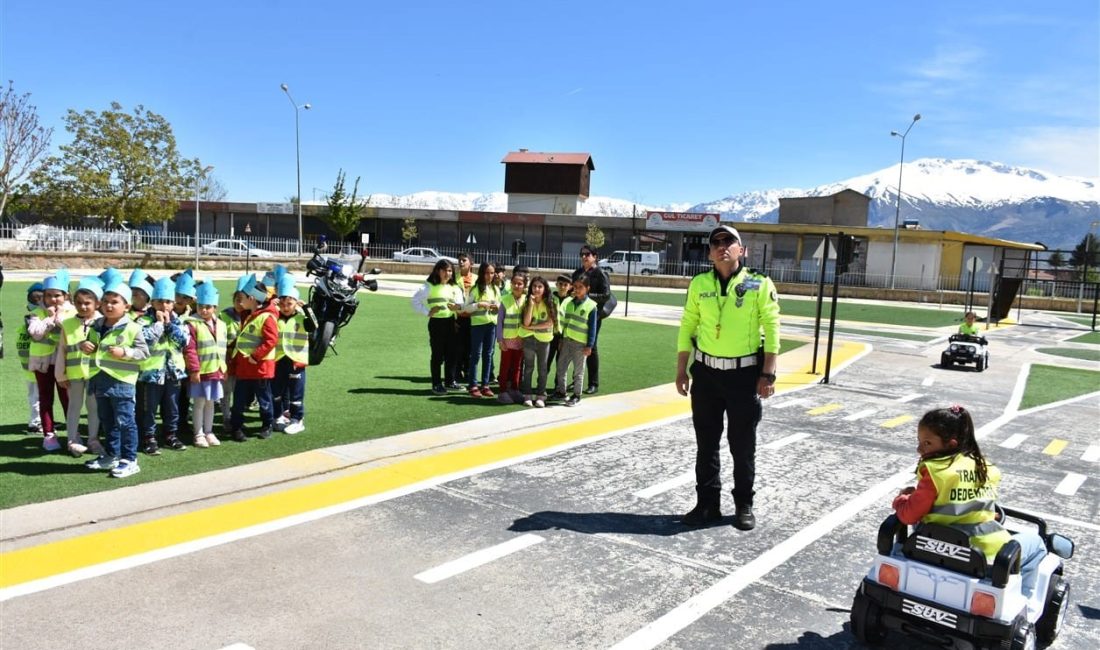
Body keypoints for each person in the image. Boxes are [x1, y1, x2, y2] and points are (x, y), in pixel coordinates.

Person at [675, 225, 780, 531]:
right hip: (706, 375)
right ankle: (707, 504)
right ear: (709, 252)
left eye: (729, 241)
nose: (722, 247)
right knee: (706, 443)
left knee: (741, 444)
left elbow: (772, 328)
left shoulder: (759, 283)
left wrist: (768, 373)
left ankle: (743, 504)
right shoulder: (699, 284)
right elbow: (687, 325)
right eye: (716, 242)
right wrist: (682, 368)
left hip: (743, 375)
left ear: (741, 249)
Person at [892, 406, 1047, 599]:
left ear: (950, 444)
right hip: (985, 552)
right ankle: (1024, 599)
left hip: (934, 547)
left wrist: (902, 500)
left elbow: (909, 515)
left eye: (927, 443)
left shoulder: (936, 471)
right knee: (1038, 543)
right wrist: (990, 516)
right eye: (920, 441)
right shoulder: (987, 469)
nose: (919, 448)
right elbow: (969, 504)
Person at [82, 282, 149, 478]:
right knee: (107, 420)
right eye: (106, 301)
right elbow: (93, 346)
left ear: (126, 306)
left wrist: (125, 352)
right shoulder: (96, 325)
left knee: (125, 422)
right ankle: (112, 455)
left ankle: (130, 459)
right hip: (99, 381)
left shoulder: (133, 327)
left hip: (122, 382)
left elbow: (144, 353)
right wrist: (84, 345)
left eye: (115, 302)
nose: (109, 305)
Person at [137, 277, 190, 454]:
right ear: (152, 302)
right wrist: (159, 324)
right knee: (149, 408)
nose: (164, 306)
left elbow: (183, 340)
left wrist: (169, 324)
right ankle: (148, 437)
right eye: (160, 301)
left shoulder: (178, 321)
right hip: (151, 373)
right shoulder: (143, 320)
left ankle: (170, 435)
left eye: (168, 302)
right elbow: (145, 338)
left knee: (172, 407)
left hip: (173, 372)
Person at [54, 276, 104, 456]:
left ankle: (93, 439)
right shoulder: (67, 324)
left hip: (94, 374)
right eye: (79, 303)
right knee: (74, 406)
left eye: (87, 303)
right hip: (74, 374)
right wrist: (60, 375)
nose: (83, 307)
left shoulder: (103, 322)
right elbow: (62, 351)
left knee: (93, 408)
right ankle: (72, 440)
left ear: (97, 304)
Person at [27, 269, 75, 451]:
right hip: (43, 364)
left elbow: (72, 331)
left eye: (57, 295)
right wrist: (49, 318)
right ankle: (49, 435)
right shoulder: (37, 313)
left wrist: (59, 317)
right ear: (43, 297)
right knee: (46, 399)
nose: (53, 300)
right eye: (48, 296)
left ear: (66, 295)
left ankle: (73, 434)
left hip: (66, 364)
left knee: (68, 399)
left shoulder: (73, 312)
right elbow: (35, 333)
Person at [227, 275, 279, 442]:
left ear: (252, 299)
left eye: (243, 298)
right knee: (239, 400)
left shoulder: (267, 317)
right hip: (244, 366)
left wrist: (255, 357)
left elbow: (271, 340)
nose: (240, 302)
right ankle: (237, 427)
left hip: (259, 367)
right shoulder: (249, 315)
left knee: (264, 399)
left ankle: (267, 425)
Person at [184, 282, 227, 447]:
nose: (204, 310)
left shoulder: (221, 324)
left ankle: (209, 431)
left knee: (211, 403)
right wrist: (194, 370)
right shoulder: (192, 323)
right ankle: (198, 433)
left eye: (208, 307)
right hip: (201, 372)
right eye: (201, 306)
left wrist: (224, 368)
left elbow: (222, 349)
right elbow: (190, 349)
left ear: (215, 307)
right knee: (199, 403)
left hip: (216, 371)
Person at [412, 260, 463, 394]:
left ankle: (450, 381)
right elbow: (415, 301)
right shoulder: (429, 286)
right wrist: (428, 312)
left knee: (452, 354)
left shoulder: (454, 287)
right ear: (438, 271)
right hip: (436, 324)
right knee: (437, 355)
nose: (448, 273)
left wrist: (457, 306)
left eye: (450, 270)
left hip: (451, 322)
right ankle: (436, 384)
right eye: (445, 270)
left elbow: (460, 303)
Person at [272, 275, 311, 434]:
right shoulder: (274, 316)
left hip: (296, 361)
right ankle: (278, 416)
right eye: (282, 304)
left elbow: (314, 325)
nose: (286, 307)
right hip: (278, 360)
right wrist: (270, 306)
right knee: (276, 392)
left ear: (296, 303)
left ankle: (297, 419)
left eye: (289, 303)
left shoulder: (302, 317)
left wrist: (307, 309)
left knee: (296, 393)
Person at [572, 245, 612, 394]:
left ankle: (593, 383)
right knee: (575, 345)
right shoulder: (578, 273)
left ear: (595, 256)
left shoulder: (600, 273)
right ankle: (576, 381)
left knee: (591, 347)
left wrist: (587, 298)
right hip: (577, 313)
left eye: (587, 254)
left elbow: (606, 295)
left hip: (593, 314)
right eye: (582, 254)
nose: (584, 257)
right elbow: (573, 290)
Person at [555, 276, 599, 407]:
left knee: (578, 372)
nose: (578, 290)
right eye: (576, 287)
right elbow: (565, 323)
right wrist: (562, 339)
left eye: (581, 287)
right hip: (567, 341)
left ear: (587, 289)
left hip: (581, 344)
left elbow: (592, 329)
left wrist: (589, 345)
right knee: (561, 368)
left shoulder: (591, 306)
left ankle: (576, 395)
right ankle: (561, 392)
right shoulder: (569, 303)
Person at [218, 275, 252, 431]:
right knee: (226, 391)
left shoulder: (252, 316)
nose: (239, 303)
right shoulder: (224, 316)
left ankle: (237, 418)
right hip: (228, 359)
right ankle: (226, 418)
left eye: (243, 299)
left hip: (244, 361)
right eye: (237, 299)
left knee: (240, 392)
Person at [519, 276, 557, 408]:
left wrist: (532, 327)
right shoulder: (527, 301)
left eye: (540, 287)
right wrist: (530, 304)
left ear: (545, 289)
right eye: (534, 286)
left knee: (542, 368)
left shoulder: (550, 302)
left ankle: (541, 395)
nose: (536, 289)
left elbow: (550, 323)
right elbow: (526, 322)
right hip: (529, 339)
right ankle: (527, 394)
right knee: (528, 367)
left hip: (544, 340)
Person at [465, 262, 500, 398]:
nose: (489, 276)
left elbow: (499, 305)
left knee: (488, 354)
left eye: (492, 273)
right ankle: (473, 385)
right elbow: (466, 308)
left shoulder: (495, 289)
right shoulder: (475, 289)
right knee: (476, 354)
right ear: (481, 273)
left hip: (491, 325)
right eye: (486, 273)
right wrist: (479, 304)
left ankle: (485, 385)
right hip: (478, 326)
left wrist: (497, 307)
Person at [16, 282, 45, 433]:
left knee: (37, 396)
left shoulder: (26, 321)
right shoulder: (33, 322)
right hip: (36, 366)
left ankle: (42, 420)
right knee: (37, 397)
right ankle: (35, 423)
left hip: (30, 367)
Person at [496, 271, 528, 404]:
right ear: (510, 284)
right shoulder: (505, 300)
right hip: (507, 340)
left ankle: (515, 389)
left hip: (521, 339)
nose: (517, 286)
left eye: (520, 284)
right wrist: (500, 339)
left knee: (517, 366)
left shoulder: (527, 300)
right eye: (514, 283)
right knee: (505, 366)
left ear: (524, 286)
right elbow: (499, 321)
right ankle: (503, 391)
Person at [548, 274, 573, 396]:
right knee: (546, 361)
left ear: (570, 287)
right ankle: (540, 385)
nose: (562, 287)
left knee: (561, 363)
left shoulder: (572, 302)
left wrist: (564, 338)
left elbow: (569, 321)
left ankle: (558, 386)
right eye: (560, 284)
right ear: (556, 285)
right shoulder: (550, 298)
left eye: (565, 285)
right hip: (549, 335)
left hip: (564, 337)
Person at [454, 253, 475, 384]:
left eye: (464, 260)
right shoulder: (454, 279)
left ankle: (468, 371)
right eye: (459, 260)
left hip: (473, 319)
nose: (461, 263)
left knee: (470, 347)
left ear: (471, 263)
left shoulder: (477, 280)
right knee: (458, 347)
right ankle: (457, 371)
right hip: (459, 318)